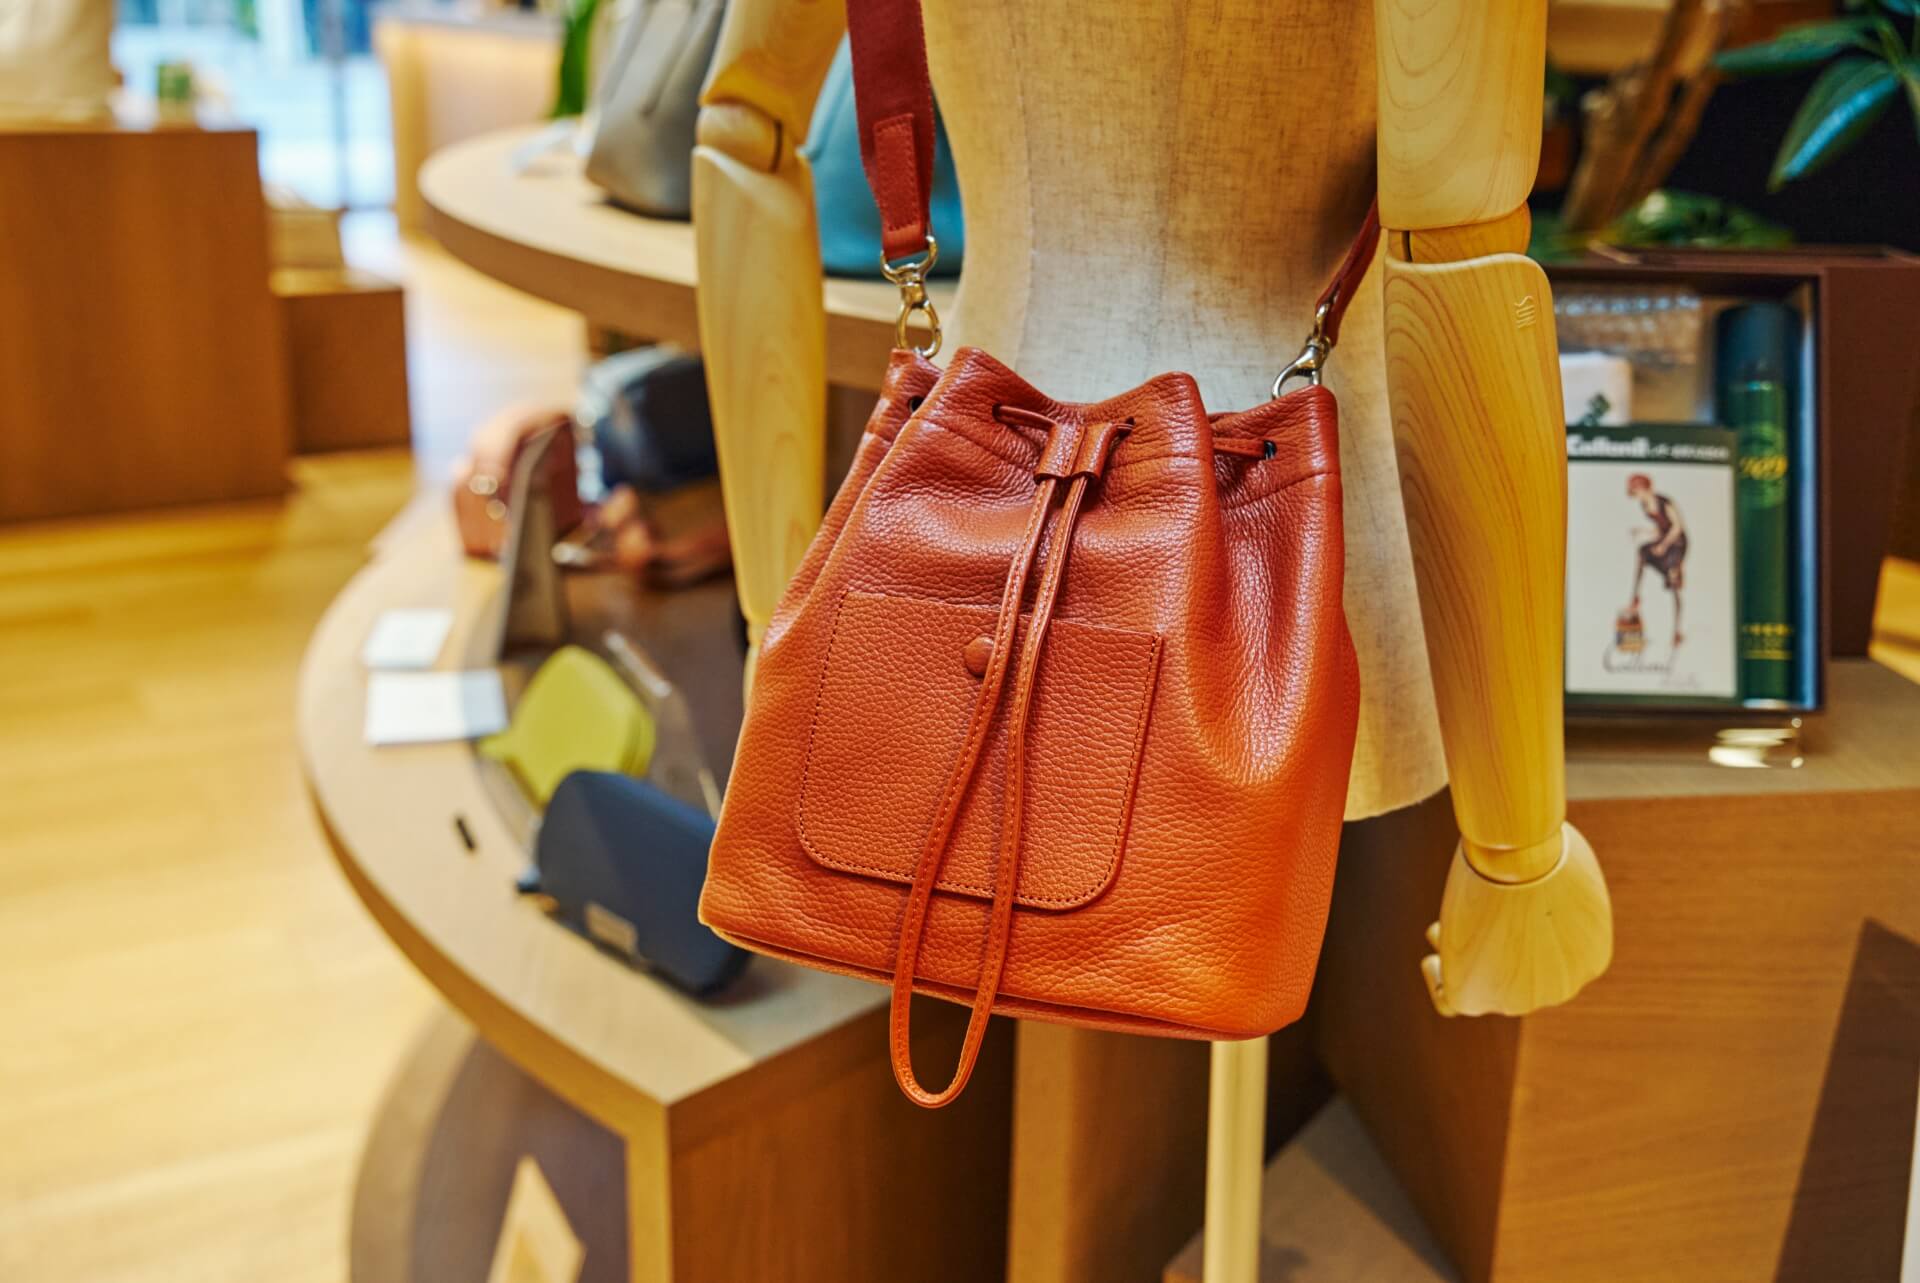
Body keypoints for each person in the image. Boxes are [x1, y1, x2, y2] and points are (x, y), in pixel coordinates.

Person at [1627, 472, 1687, 646]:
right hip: (1664, 540)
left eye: (1636, 491)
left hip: (1677, 544)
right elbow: (1660, 529)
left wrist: (1664, 546)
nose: (1636, 495)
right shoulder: (1645, 506)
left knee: (1673, 582)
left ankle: (1677, 630)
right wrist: (1643, 531)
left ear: (1643, 488)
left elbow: (1677, 527)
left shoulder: (1664, 502)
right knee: (1643, 552)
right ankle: (1635, 597)